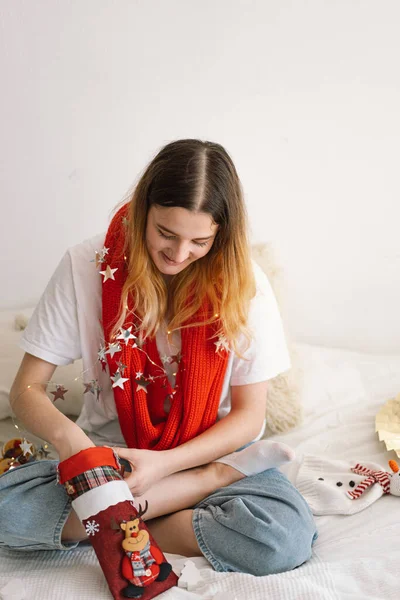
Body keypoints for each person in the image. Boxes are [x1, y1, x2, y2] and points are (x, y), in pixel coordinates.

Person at [0, 139, 317, 576]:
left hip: (208, 458)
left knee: (282, 538)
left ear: (220, 236)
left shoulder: (246, 281)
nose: (179, 253)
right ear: (143, 208)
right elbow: (26, 389)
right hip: (107, 454)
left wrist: (166, 469)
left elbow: (248, 417)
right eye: (166, 233)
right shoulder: (84, 264)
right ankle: (147, 510)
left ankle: (123, 516)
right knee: (6, 513)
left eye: (200, 241)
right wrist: (81, 452)